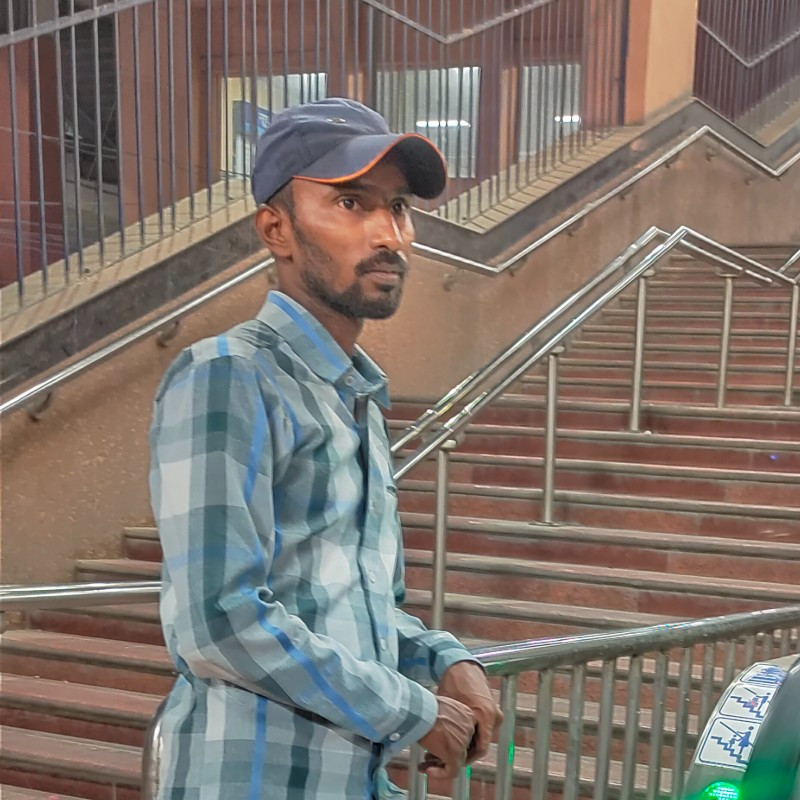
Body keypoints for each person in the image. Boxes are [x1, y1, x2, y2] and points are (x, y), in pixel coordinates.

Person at [149, 97, 502, 800]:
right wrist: (414, 710)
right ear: (276, 229)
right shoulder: (229, 374)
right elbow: (218, 620)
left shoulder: (355, 397)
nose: (389, 234)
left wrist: (440, 657)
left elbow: (350, 603)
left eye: (397, 207)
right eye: (350, 202)